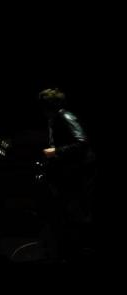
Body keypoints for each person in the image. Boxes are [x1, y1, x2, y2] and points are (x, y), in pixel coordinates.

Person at [38, 87, 95, 261]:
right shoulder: (56, 119)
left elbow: (82, 142)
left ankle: (80, 253)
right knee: (67, 217)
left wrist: (55, 152)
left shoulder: (65, 117)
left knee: (76, 216)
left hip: (76, 177)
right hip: (68, 177)